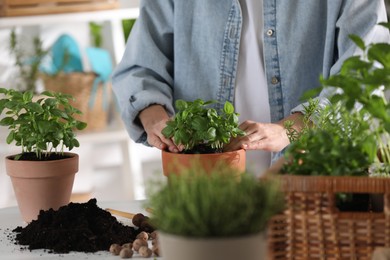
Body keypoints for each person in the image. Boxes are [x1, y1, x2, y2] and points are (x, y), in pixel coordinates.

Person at [112, 0, 389, 176]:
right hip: (203, 195)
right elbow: (140, 68)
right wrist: (157, 120)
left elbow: (364, 76)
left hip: (308, 196)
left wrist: (290, 129)